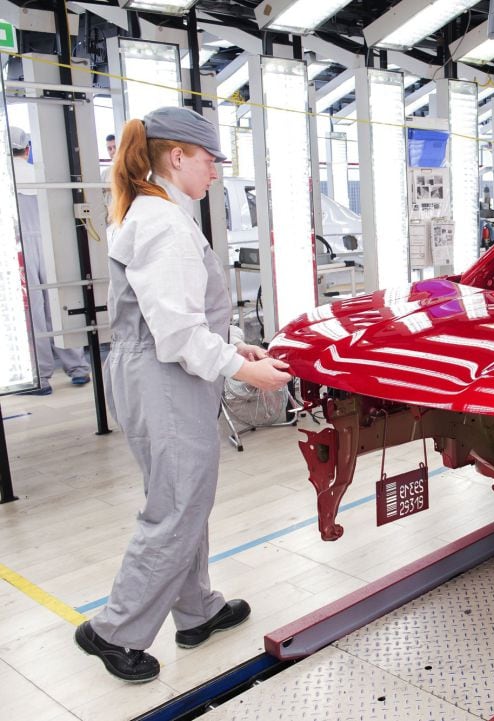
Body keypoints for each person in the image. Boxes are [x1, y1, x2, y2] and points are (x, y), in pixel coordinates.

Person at [74, 107, 292, 682]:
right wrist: (245, 372)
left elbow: (172, 316)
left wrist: (232, 346)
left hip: (155, 372)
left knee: (183, 495)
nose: (215, 172)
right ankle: (113, 630)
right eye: (209, 159)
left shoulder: (153, 213)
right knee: (176, 506)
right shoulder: (163, 223)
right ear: (177, 157)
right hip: (164, 379)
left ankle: (196, 612)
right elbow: (175, 335)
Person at [12, 127, 92, 394]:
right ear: (28, 148)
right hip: (53, 245)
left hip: (20, 247)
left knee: (32, 311)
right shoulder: (40, 175)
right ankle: (78, 368)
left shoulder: (6, 177)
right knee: (60, 304)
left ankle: (41, 376)